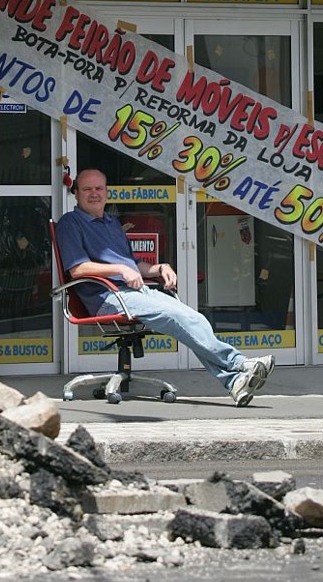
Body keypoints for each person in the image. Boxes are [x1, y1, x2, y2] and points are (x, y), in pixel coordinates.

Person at [56, 168, 275, 407]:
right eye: (87, 189)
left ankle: (234, 382)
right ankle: (239, 364)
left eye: (99, 188)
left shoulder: (111, 222)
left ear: (107, 193)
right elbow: (78, 270)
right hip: (108, 296)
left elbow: (135, 266)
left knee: (192, 317)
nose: (94, 194)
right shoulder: (70, 223)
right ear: (76, 193)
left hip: (134, 292)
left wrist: (160, 268)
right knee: (176, 315)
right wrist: (119, 270)